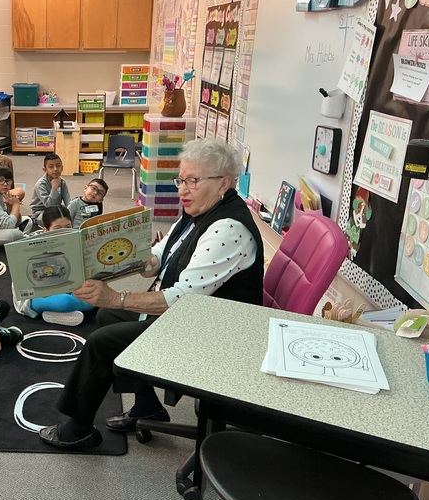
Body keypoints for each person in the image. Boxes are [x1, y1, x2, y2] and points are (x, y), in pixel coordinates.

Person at [38, 138, 265, 449]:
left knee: (103, 340)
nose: (182, 190)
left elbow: (181, 299)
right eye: (181, 180)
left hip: (214, 332)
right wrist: (138, 258)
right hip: (195, 315)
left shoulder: (228, 228)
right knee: (108, 316)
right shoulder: (199, 210)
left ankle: (77, 429)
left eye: (193, 181)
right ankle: (147, 406)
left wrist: (115, 296)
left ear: (223, 183)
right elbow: (162, 251)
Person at [14, 207, 94, 326]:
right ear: (45, 230)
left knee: (97, 291)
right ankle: (68, 308)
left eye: (68, 227)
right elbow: (24, 283)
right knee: (65, 302)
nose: (64, 232)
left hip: (69, 288)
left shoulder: (75, 240)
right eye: (57, 229)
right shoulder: (29, 247)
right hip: (37, 296)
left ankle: (57, 314)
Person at [29, 153, 71, 225]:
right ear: (45, 169)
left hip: (56, 210)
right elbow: (49, 206)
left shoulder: (62, 182)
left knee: (70, 215)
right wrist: (54, 188)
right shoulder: (40, 184)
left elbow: (68, 202)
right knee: (54, 220)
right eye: (51, 167)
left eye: (58, 166)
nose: (55, 169)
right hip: (41, 212)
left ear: (62, 168)